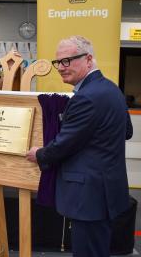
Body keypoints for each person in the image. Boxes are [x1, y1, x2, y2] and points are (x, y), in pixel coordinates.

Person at [26, 35, 133, 257]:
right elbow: (127, 132)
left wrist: (40, 154)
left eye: (68, 61)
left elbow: (64, 144)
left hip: (89, 195)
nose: (61, 68)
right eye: (58, 62)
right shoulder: (112, 89)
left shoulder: (86, 97)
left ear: (88, 59)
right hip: (105, 190)